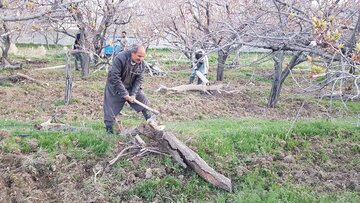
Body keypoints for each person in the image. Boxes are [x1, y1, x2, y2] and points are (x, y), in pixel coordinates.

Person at [103, 43, 156, 134]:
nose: (141, 59)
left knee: (144, 101)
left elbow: (139, 80)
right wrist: (124, 94)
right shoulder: (120, 58)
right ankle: (110, 133)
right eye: (139, 56)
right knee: (110, 110)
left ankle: (153, 125)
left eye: (143, 57)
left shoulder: (141, 64)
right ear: (132, 53)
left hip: (130, 86)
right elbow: (115, 77)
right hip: (115, 87)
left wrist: (133, 94)